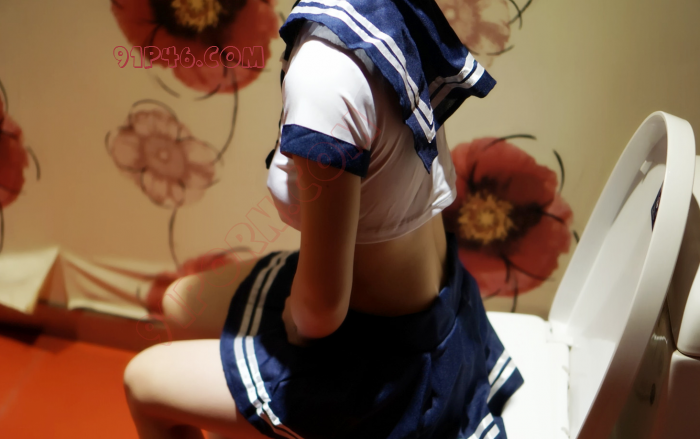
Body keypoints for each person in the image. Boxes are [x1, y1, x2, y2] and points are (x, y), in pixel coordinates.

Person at [122, 1, 524, 438]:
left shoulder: (323, 75)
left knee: (142, 381)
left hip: (382, 364)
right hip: (439, 301)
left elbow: (320, 313)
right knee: (180, 302)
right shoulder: (387, 13)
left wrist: (293, 322)